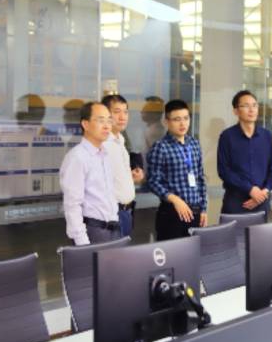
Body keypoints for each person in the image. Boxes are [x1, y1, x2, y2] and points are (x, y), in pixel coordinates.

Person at [59, 101, 120, 246]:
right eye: (100, 120)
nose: (107, 126)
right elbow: (72, 204)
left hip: (113, 229)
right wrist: (82, 242)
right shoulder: (77, 157)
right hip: (93, 231)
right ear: (85, 124)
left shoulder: (105, 154)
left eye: (109, 120)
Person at [146, 98, 207, 240]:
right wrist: (175, 200)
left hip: (195, 212)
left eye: (186, 118)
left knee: (193, 252)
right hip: (172, 213)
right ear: (166, 122)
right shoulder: (161, 147)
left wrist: (203, 208)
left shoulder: (194, 144)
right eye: (177, 119)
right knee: (172, 253)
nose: (182, 123)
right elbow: (153, 181)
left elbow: (200, 178)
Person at [215, 89, 272, 215]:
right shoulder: (227, 136)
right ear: (236, 111)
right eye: (246, 106)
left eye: (254, 105)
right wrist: (250, 189)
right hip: (236, 202)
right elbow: (224, 170)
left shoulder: (267, 136)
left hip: (261, 202)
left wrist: (263, 193)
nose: (251, 110)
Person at [102, 93, 143, 237]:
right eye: (117, 112)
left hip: (126, 212)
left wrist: (131, 177)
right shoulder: (103, 144)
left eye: (125, 112)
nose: (122, 117)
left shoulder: (120, 140)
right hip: (111, 214)